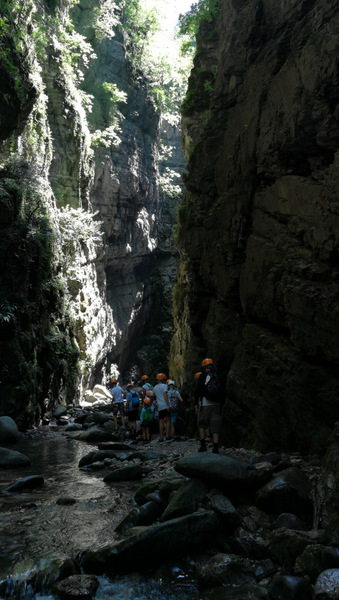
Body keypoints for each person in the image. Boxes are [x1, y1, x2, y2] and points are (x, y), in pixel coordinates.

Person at [195, 358, 225, 454]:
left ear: (204, 367)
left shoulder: (203, 375)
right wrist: (221, 403)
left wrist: (196, 403)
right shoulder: (218, 376)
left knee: (202, 424)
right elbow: (223, 390)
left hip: (205, 404)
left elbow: (198, 390)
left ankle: (203, 446)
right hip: (217, 404)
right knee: (215, 426)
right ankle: (216, 448)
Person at [152, 373, 170, 442]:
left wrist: (151, 404)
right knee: (168, 420)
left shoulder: (155, 387)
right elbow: (165, 395)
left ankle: (161, 437)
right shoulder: (165, 386)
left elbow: (152, 396)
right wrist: (168, 405)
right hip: (165, 405)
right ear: (163, 380)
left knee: (161, 421)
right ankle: (167, 436)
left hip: (159, 406)